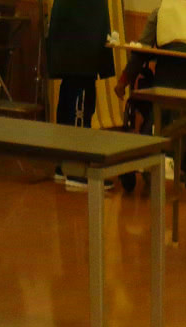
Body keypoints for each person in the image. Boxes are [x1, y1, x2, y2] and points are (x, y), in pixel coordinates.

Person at [45, 0, 115, 189]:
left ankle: (64, 164)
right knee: (80, 107)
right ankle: (76, 170)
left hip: (71, 43)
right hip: (82, 47)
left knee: (68, 100)